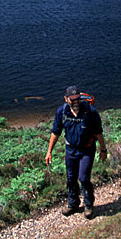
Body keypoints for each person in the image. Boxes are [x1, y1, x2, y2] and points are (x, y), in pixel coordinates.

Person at [45, 86, 108, 219]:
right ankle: (73, 203)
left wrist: (103, 150)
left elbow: (98, 132)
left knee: (84, 178)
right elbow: (55, 132)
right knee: (70, 178)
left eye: (78, 99)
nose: (76, 102)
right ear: (66, 99)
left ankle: (88, 204)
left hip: (87, 149)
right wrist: (49, 151)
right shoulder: (62, 112)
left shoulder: (90, 111)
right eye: (72, 99)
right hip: (70, 150)